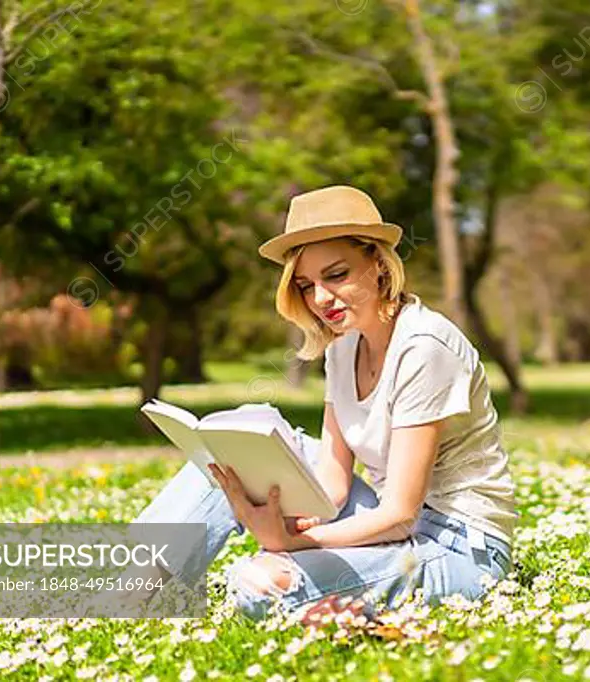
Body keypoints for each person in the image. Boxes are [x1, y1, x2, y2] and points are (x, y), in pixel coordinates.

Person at [132, 185, 517, 621]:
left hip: (456, 546)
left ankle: (307, 593)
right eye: (305, 285)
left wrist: (290, 542)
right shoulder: (343, 347)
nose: (320, 299)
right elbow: (334, 481)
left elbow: (402, 515)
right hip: (389, 523)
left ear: (378, 264)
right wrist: (298, 518)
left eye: (336, 275)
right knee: (229, 454)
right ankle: (134, 591)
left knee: (259, 583)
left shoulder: (424, 346)